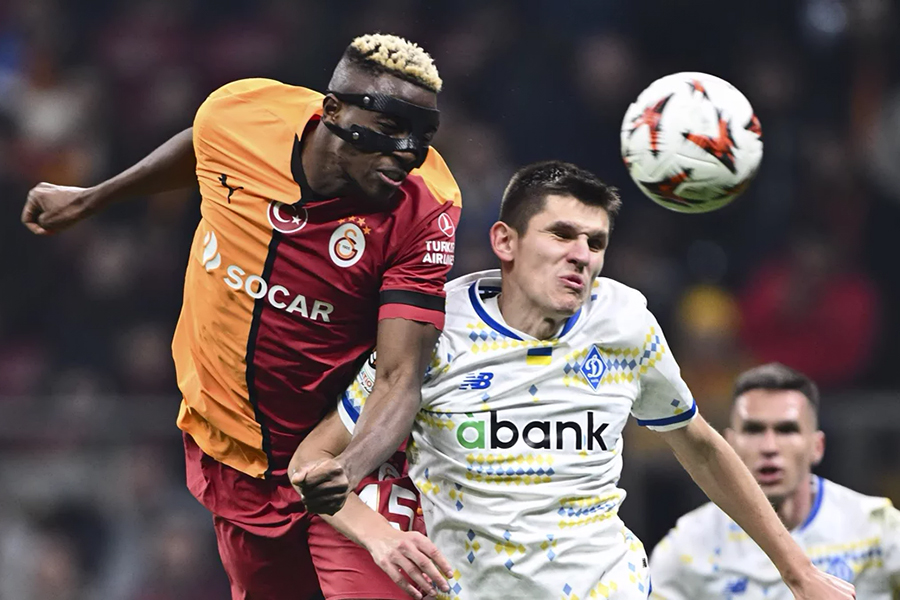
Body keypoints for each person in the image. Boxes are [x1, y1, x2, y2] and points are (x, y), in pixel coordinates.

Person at [22, 33, 460, 600]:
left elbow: (401, 377)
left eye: (422, 137)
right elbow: (204, 144)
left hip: (348, 459)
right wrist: (91, 198)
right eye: (390, 128)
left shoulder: (426, 206)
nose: (407, 153)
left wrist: (346, 471)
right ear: (332, 110)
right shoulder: (242, 116)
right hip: (234, 456)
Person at [292, 161, 855, 599]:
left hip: (609, 584)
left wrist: (799, 572)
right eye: (562, 234)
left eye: (596, 242)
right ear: (506, 241)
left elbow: (701, 446)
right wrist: (380, 535)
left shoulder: (625, 323)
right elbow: (312, 461)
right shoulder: (436, 329)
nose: (581, 256)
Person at [648, 363, 900, 599]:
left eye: (786, 430)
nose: (769, 447)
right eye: (753, 430)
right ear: (728, 446)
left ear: (817, 446)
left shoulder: (876, 528)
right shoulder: (689, 545)